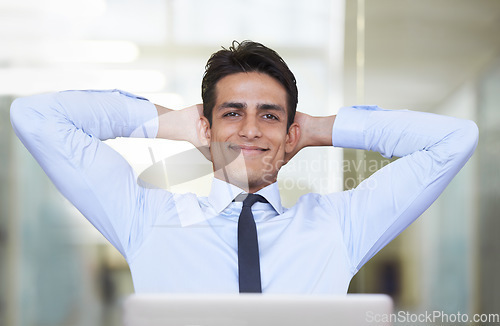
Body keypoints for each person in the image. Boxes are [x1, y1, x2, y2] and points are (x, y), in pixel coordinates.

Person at [10, 41, 478, 294]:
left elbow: (454, 139)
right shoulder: (144, 219)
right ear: (206, 126)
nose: (251, 130)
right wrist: (173, 125)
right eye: (232, 112)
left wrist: (316, 128)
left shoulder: (339, 225)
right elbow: (35, 117)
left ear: (290, 133)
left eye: (269, 116)